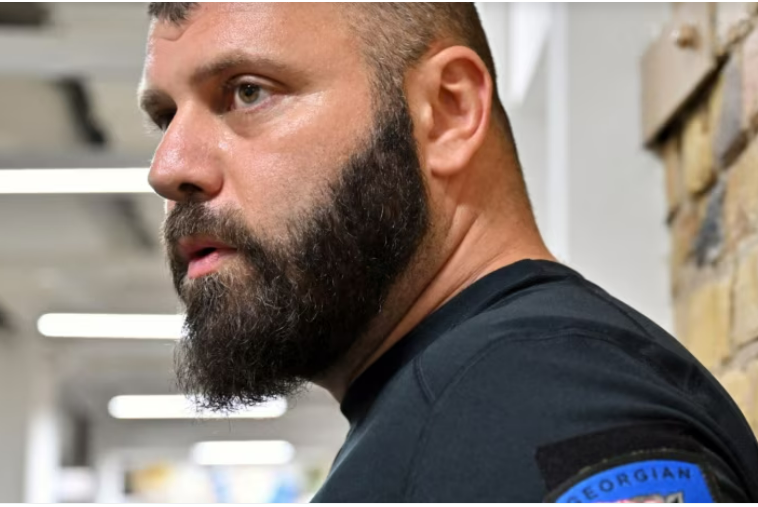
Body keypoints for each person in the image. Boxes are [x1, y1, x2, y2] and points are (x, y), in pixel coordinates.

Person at [139, 3, 758, 502]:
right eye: (165, 117)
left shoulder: (539, 404)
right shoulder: (462, 406)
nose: (167, 168)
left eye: (248, 92)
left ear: (448, 111)